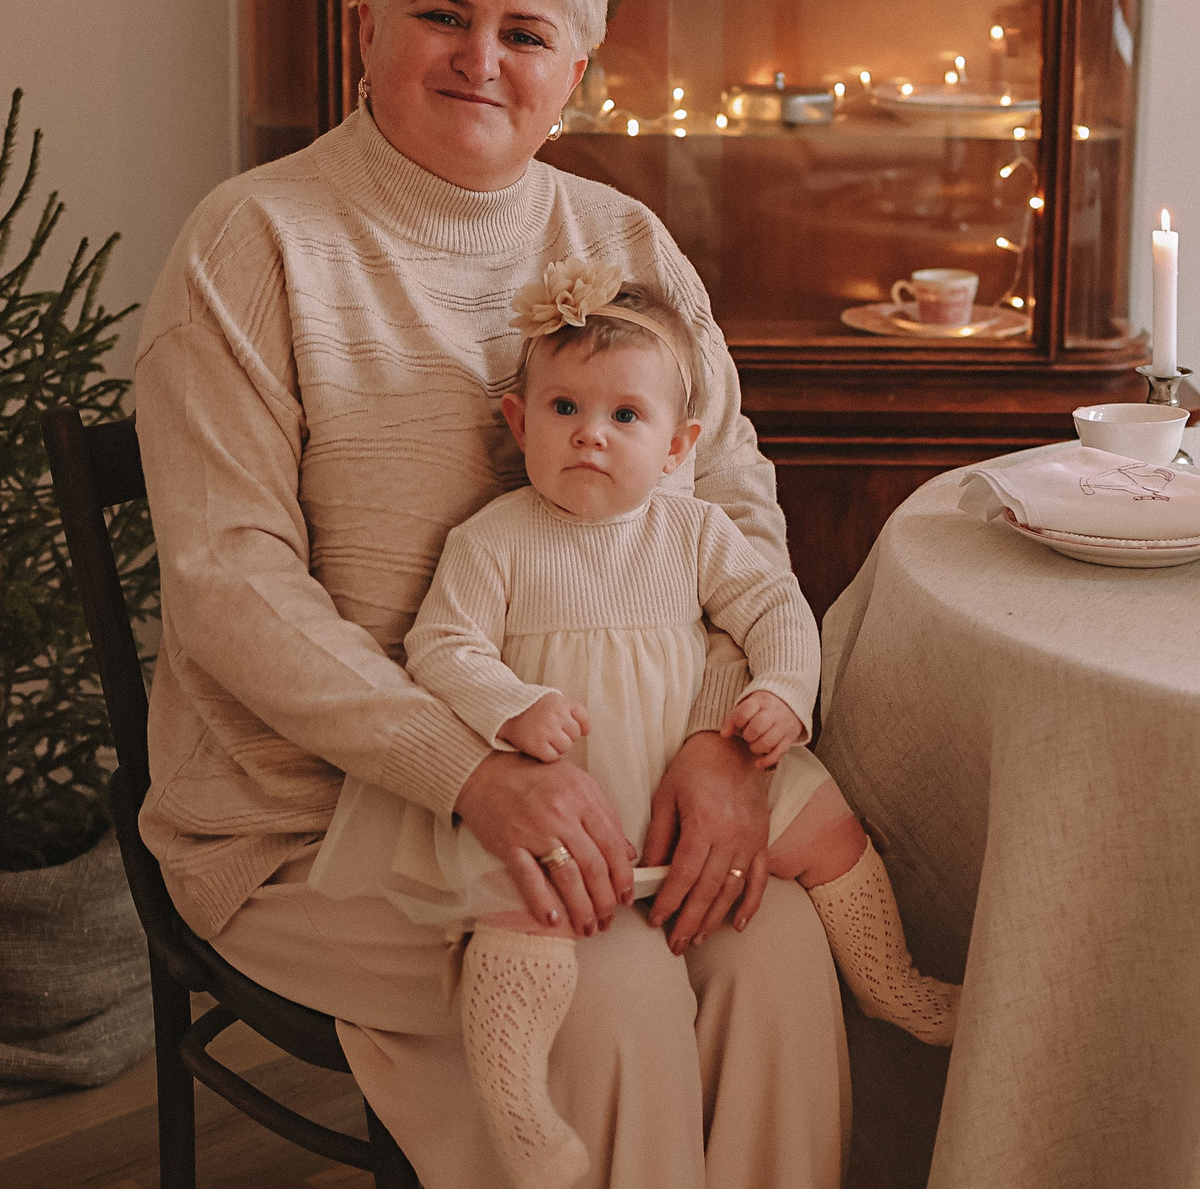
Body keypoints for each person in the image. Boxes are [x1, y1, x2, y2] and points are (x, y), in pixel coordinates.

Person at [132, 0, 849, 1186]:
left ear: (574, 73)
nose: (481, 58)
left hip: (630, 774)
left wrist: (725, 744)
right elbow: (230, 588)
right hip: (314, 818)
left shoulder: (627, 240)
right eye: (441, 15)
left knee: (782, 941)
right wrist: (470, 771)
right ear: (366, 25)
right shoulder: (257, 241)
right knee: (617, 987)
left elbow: (733, 499)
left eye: (526, 32)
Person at [310, 263, 957, 1189]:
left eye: (625, 417)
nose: (589, 436)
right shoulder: (493, 539)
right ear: (516, 421)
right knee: (517, 921)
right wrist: (511, 704)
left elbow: (773, 606)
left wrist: (781, 688)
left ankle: (894, 983)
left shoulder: (691, 531)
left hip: (677, 774)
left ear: (677, 444)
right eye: (564, 407)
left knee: (833, 837)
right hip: (568, 790)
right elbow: (442, 646)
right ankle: (517, 1101)